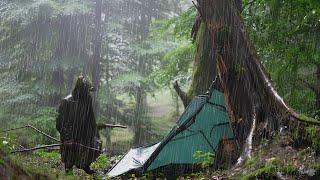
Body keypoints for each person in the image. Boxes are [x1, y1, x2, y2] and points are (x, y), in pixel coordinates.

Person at [56, 75, 101, 174]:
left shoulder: (87, 100)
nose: (89, 93)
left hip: (83, 132)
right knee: (69, 153)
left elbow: (90, 117)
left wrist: (94, 131)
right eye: (87, 90)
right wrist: (66, 135)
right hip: (69, 133)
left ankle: (85, 165)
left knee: (94, 146)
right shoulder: (67, 101)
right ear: (81, 89)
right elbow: (60, 122)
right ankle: (68, 170)